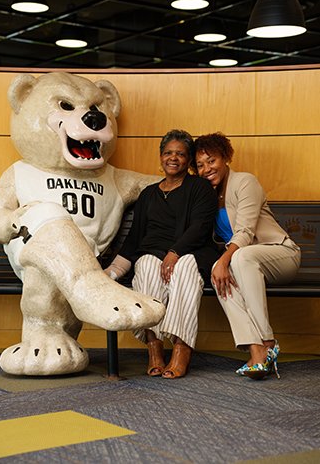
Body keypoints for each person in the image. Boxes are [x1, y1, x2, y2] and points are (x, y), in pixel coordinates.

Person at [105, 129, 219, 378]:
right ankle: (154, 349)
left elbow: (200, 227)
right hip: (153, 255)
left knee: (185, 266)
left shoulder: (200, 188)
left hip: (193, 252)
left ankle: (181, 348)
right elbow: (134, 240)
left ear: (188, 160)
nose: (173, 158)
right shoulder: (148, 195)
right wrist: (111, 272)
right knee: (145, 265)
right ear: (161, 157)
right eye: (168, 152)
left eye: (180, 154)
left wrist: (175, 252)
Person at [194, 132, 301, 379]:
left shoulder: (245, 182)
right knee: (217, 275)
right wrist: (219, 265)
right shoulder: (208, 195)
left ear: (226, 157)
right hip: (247, 263)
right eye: (200, 165)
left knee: (239, 258)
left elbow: (245, 231)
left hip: (280, 255)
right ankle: (256, 352)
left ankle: (267, 341)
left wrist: (223, 260)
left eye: (211, 161)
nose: (207, 169)